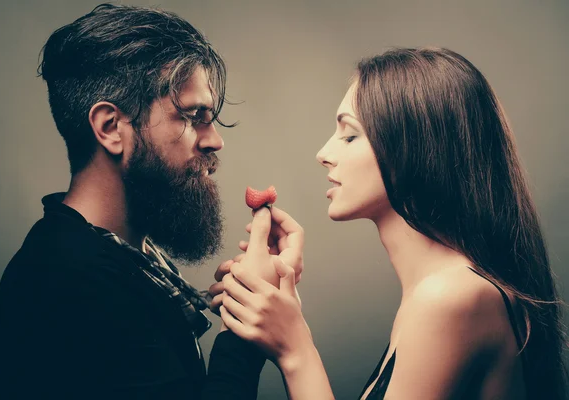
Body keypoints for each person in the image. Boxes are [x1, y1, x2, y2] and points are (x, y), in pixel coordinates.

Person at [0, 4, 302, 399]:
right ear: (110, 128)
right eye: (192, 116)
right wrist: (245, 330)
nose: (214, 140)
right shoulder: (66, 281)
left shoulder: (126, 257)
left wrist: (247, 299)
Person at [216, 48, 567, 399]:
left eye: (350, 135)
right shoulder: (438, 294)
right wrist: (281, 313)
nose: (323, 153)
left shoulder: (449, 298)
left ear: (412, 148)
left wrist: (296, 351)